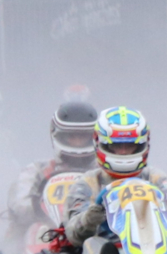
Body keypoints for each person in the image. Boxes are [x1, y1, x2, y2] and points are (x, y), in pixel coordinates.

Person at [44, 108, 167, 254]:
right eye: (116, 146)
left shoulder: (158, 179)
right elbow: (73, 236)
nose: (124, 152)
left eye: (130, 146)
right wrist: (91, 217)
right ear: (100, 144)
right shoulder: (87, 183)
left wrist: (164, 205)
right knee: (93, 243)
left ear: (143, 144)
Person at [6, 96, 102, 233]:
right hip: (47, 234)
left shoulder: (102, 172)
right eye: (72, 136)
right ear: (58, 135)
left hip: (91, 232)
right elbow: (18, 205)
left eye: (83, 136)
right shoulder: (36, 170)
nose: (78, 143)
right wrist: (41, 207)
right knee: (30, 230)